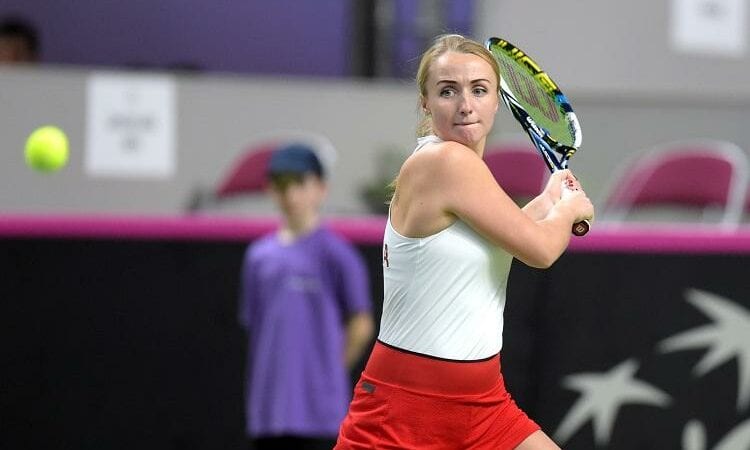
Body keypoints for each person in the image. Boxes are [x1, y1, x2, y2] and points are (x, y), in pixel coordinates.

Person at [335, 34, 594, 450]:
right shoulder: (446, 161)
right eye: (447, 91)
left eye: (479, 89)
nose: (465, 105)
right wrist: (569, 211)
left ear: (498, 101)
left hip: (482, 402)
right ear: (425, 102)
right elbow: (541, 250)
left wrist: (550, 200)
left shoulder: (461, 169)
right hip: (406, 411)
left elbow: (501, 241)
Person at [238, 143, 375, 450]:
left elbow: (361, 324)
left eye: (299, 182)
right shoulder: (258, 257)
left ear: (321, 188)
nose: (291, 194)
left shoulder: (337, 254)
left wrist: (326, 372)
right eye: (281, 184)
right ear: (270, 189)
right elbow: (255, 325)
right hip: (268, 414)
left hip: (320, 414)